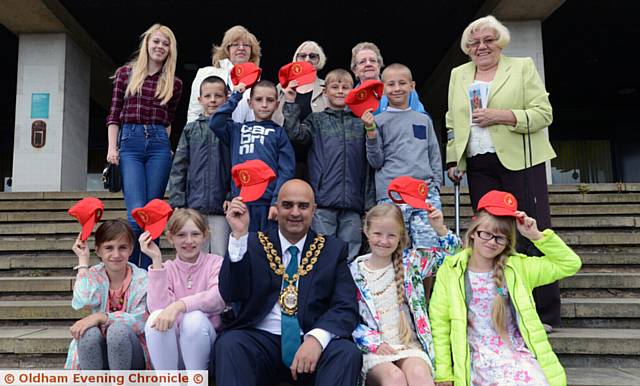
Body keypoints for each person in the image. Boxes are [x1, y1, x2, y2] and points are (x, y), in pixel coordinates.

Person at [444, 15, 558, 330]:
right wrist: (454, 160)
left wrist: (503, 115)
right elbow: (453, 121)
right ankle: (499, 308)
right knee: (490, 234)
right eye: (475, 42)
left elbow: (543, 113)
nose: (482, 47)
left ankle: (543, 312)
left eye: (488, 40)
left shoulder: (521, 67)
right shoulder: (458, 74)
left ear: (500, 42)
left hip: (520, 161)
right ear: (468, 47)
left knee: (530, 231)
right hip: (479, 164)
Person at [214, 179, 362, 386]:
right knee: (230, 345)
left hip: (309, 340)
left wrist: (316, 339)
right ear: (276, 208)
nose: (295, 212)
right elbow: (231, 293)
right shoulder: (254, 243)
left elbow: (345, 307)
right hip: (262, 339)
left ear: (314, 210)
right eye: (287, 205)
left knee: (347, 353)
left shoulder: (332, 250)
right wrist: (239, 236)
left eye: (303, 206)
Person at [429, 190, 581, 386]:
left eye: (500, 238)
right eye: (486, 234)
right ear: (474, 232)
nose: (491, 242)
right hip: (477, 359)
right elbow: (439, 324)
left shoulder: (518, 268)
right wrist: (443, 373)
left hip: (517, 356)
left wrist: (536, 235)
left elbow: (569, 264)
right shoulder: (451, 270)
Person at [350, 204, 460, 385]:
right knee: (394, 378)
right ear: (366, 230)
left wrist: (439, 228)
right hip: (375, 350)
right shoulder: (353, 272)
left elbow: (453, 256)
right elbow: (348, 317)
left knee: (419, 374)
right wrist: (374, 343)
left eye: (391, 235)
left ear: (400, 236)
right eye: (378, 234)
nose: (384, 241)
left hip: (409, 345)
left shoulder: (412, 263)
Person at [106, 24, 182, 269]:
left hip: (159, 143)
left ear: (171, 50)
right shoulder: (125, 74)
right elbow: (114, 114)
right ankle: (134, 272)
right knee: (136, 213)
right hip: (131, 142)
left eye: (165, 43)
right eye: (156, 41)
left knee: (155, 214)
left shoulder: (174, 83)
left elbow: (168, 120)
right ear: (147, 43)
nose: (160, 47)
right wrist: (111, 148)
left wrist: (166, 145)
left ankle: (152, 273)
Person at [282, 69, 367, 259]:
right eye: (335, 87)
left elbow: (368, 165)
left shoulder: (360, 123)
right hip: (323, 200)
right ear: (324, 91)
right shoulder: (317, 120)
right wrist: (290, 103)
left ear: (353, 91)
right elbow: (295, 134)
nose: (340, 91)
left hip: (353, 202)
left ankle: (346, 287)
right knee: (321, 253)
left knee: (350, 253)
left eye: (345, 87)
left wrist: (366, 202)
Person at [365, 63, 443, 251]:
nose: (397, 88)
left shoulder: (423, 119)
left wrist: (436, 184)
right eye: (391, 84)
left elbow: (434, 154)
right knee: (395, 248)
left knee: (429, 250)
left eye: (402, 83)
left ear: (412, 86)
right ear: (383, 88)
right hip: (392, 194)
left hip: (425, 192)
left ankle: (427, 283)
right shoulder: (378, 121)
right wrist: (371, 133)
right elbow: (375, 161)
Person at [141, 208, 225, 371]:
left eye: (195, 234)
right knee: (155, 318)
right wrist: (156, 260)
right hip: (172, 350)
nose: (189, 241)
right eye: (181, 235)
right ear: (170, 238)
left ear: (205, 235)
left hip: (204, 346)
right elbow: (157, 309)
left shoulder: (216, 263)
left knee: (193, 319)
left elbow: (217, 299)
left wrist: (178, 306)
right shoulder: (167, 268)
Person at [210, 79, 295, 232]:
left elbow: (286, 170)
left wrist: (277, 202)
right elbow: (216, 122)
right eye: (258, 99)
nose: (264, 104)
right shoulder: (236, 130)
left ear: (276, 105)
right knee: (242, 246)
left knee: (266, 249)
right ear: (249, 103)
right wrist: (235, 96)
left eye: (269, 100)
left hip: (267, 203)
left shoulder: (279, 133)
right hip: (240, 201)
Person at [65, 219, 149, 370]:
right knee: (88, 332)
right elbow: (83, 301)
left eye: (122, 247)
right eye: (109, 248)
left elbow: (140, 322)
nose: (116, 254)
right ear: (98, 251)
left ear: (131, 249)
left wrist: (102, 317)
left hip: (131, 354)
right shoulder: (95, 275)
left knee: (117, 330)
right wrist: (83, 262)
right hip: (99, 353)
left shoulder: (143, 279)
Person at [168, 76, 231, 256]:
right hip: (194, 206)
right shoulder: (190, 130)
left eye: (218, 96)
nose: (213, 100)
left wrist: (232, 195)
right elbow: (179, 166)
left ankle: (219, 286)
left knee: (220, 255)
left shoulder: (231, 129)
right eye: (208, 96)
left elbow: (237, 167)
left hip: (222, 207)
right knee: (195, 255)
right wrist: (178, 200)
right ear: (200, 99)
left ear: (226, 98)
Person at [273, 41, 329, 180]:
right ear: (295, 59)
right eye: (302, 56)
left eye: (313, 56)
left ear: (319, 60)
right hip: (286, 156)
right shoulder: (281, 88)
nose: (307, 59)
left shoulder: (327, 87)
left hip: (319, 157)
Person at [187, 25, 261, 123]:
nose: (241, 48)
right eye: (235, 44)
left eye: (246, 45)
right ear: (227, 49)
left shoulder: (256, 80)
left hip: (239, 135)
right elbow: (194, 112)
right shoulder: (206, 73)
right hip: (208, 134)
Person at [350, 42, 428, 115]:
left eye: (372, 60)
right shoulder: (351, 99)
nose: (368, 64)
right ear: (355, 70)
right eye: (362, 62)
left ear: (379, 66)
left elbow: (423, 118)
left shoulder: (403, 88)